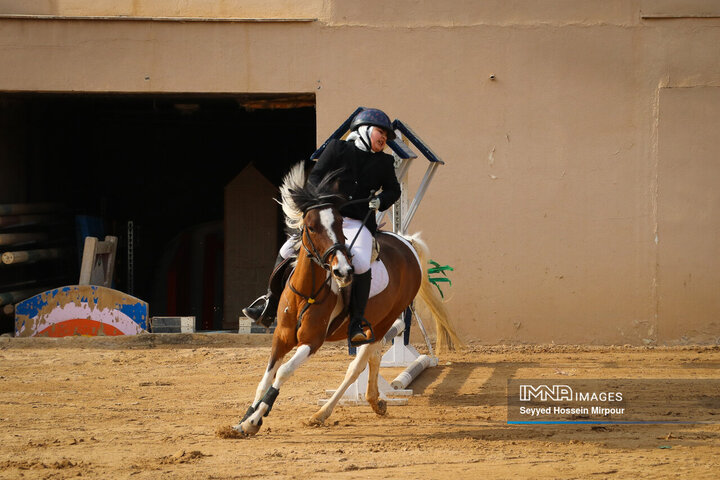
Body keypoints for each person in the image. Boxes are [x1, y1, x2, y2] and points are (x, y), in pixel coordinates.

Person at [243, 108, 401, 346]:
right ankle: (269, 303)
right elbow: (316, 178)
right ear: (364, 130)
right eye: (381, 132)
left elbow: (393, 190)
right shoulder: (337, 148)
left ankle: (357, 323)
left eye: (387, 137)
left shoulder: (385, 161)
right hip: (329, 217)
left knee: (358, 263)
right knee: (287, 250)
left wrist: (381, 200)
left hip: (357, 222)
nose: (384, 140)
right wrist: (319, 207)